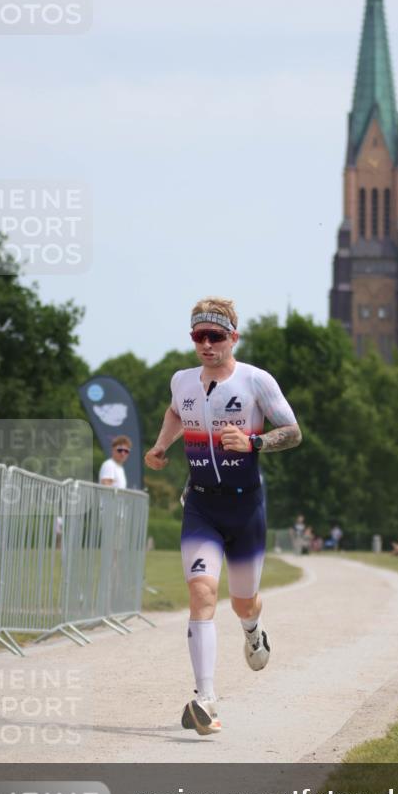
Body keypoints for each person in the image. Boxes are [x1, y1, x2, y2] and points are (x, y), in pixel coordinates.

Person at [144, 297, 302, 736]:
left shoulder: (256, 381)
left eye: (216, 336)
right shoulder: (182, 381)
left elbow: (293, 431)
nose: (207, 345)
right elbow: (176, 411)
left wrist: (255, 444)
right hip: (201, 506)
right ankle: (205, 698)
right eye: (199, 336)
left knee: (243, 601)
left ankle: (253, 629)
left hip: (245, 505)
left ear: (234, 337)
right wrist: (161, 446)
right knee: (201, 592)